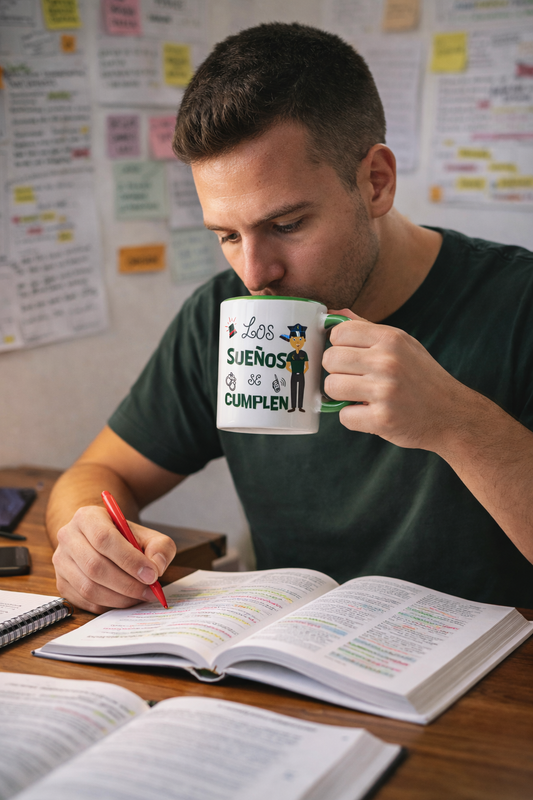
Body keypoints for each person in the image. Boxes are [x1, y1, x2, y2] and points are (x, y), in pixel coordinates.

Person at [47, 22, 533, 614]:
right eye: (227, 234)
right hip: (282, 671)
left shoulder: (518, 303)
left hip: (488, 693)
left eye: (286, 225)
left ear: (376, 182)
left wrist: (456, 422)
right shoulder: (218, 316)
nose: (255, 273)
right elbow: (98, 471)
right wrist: (85, 537)